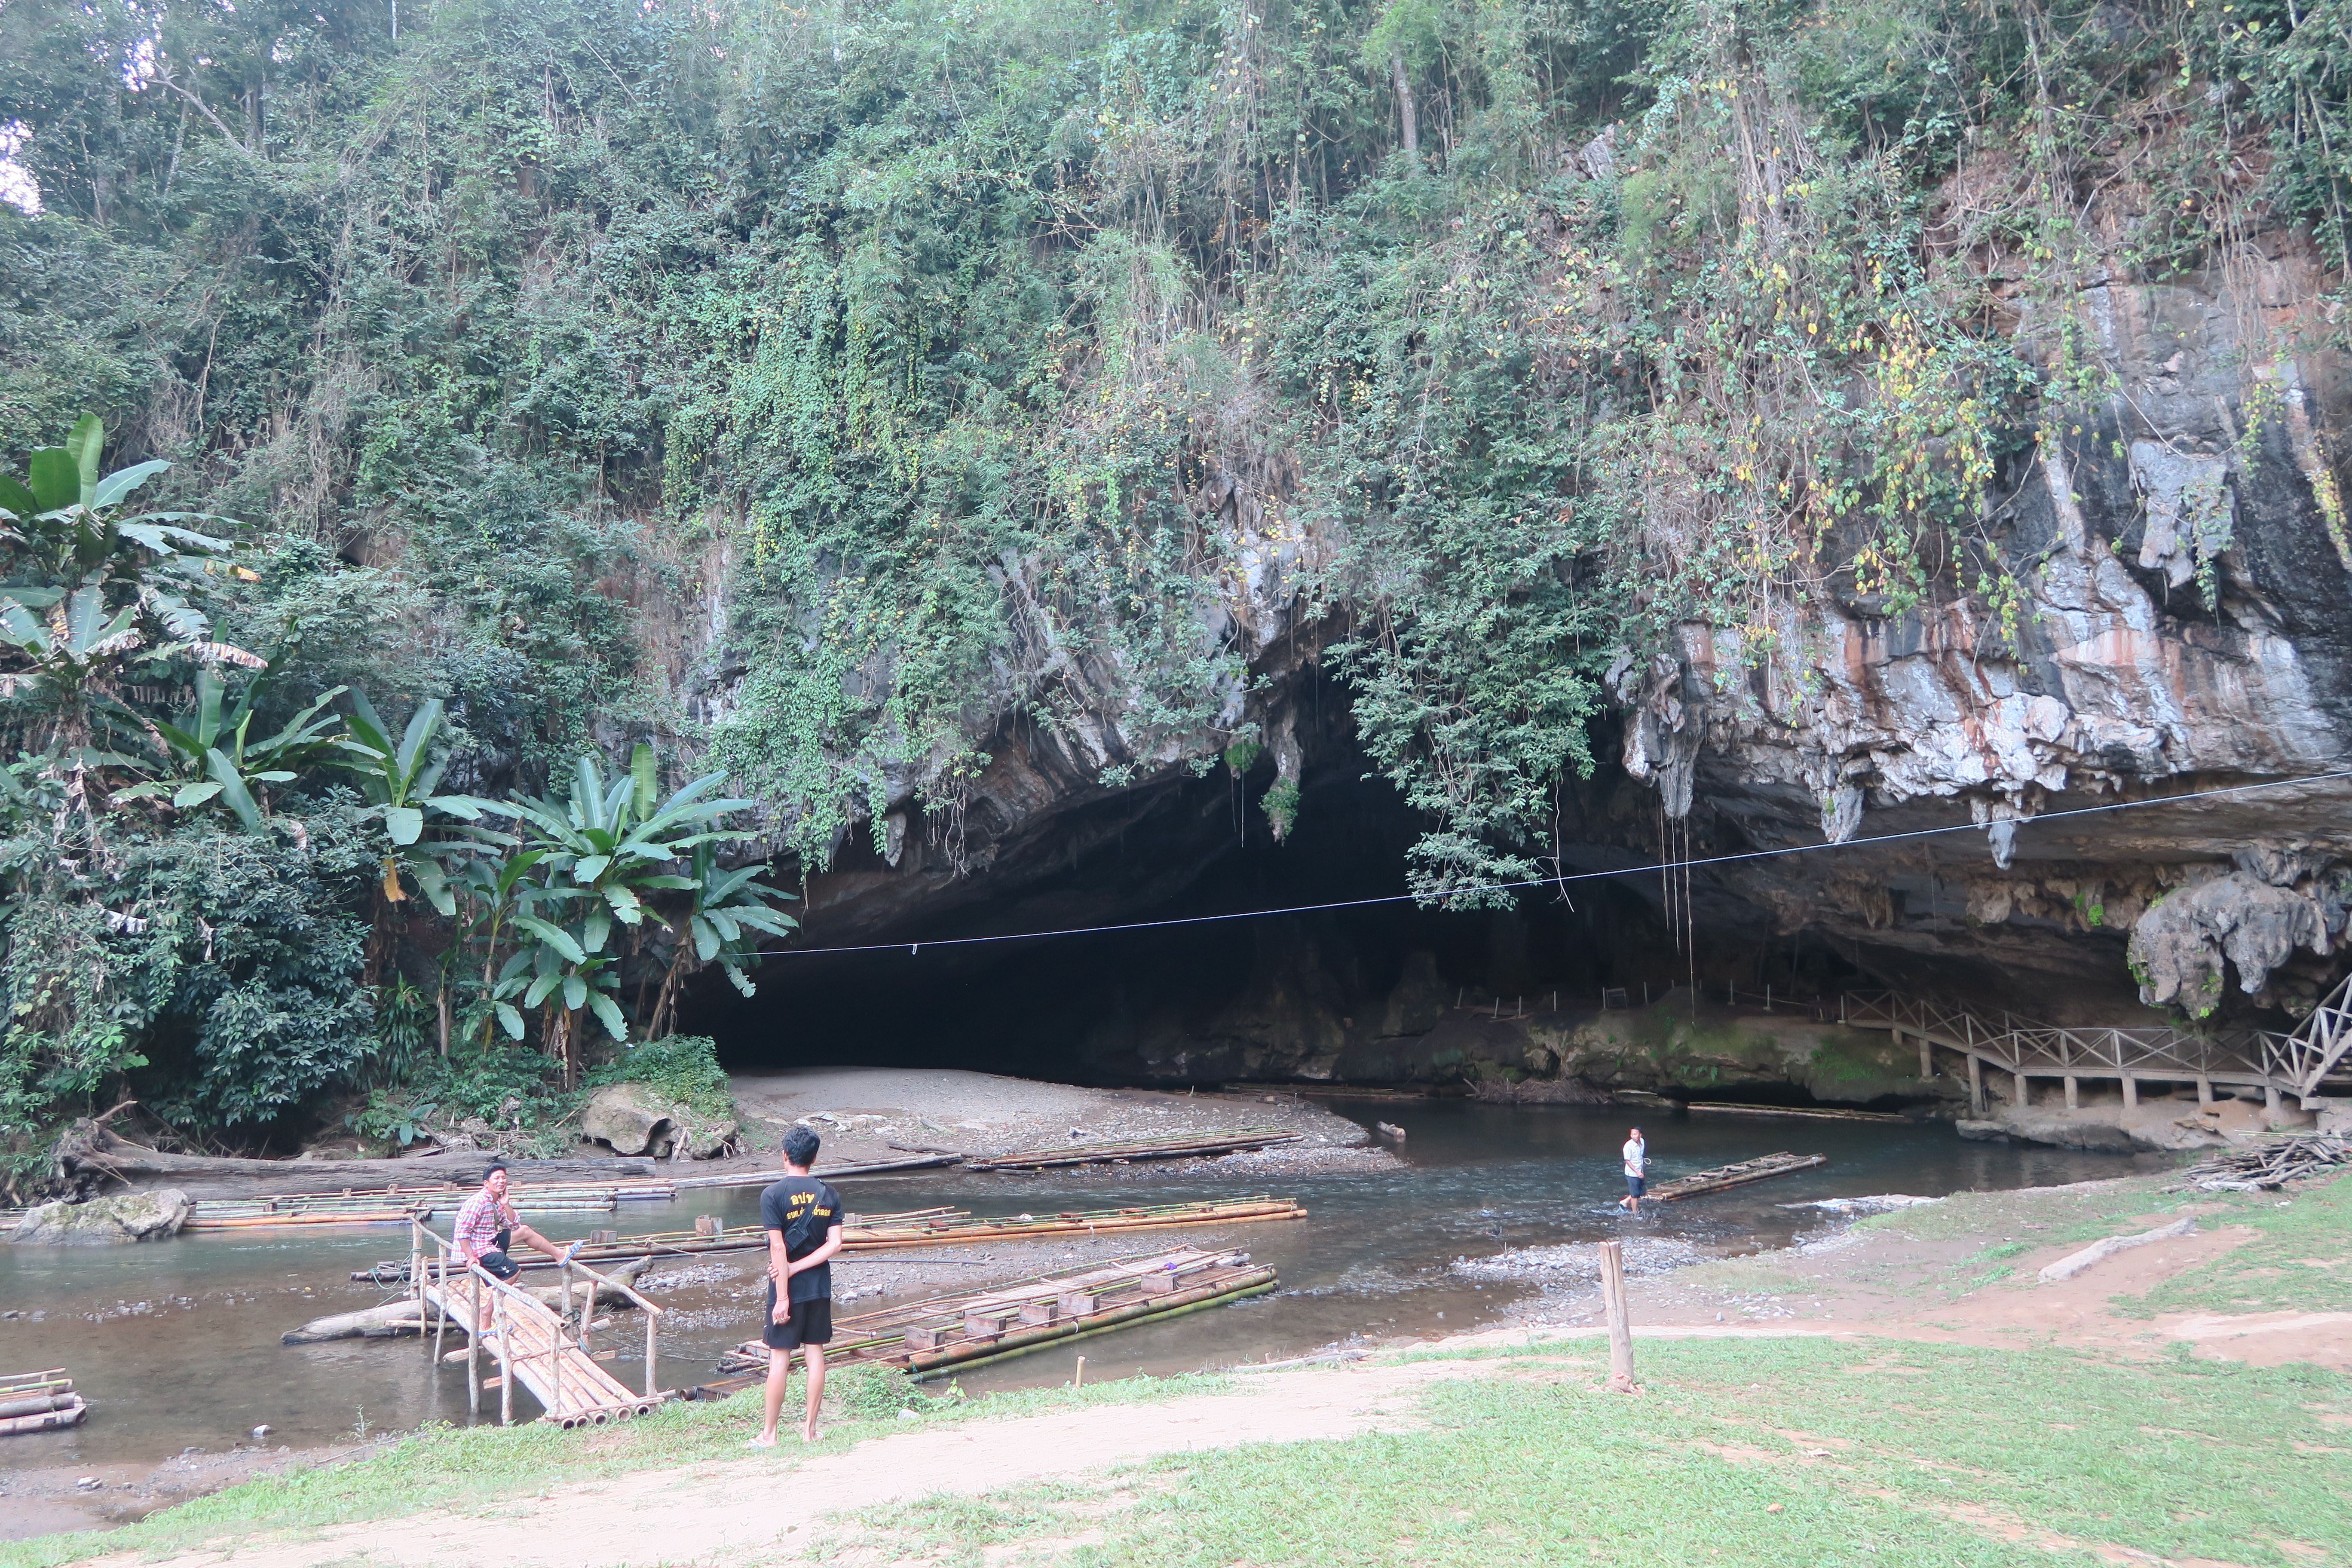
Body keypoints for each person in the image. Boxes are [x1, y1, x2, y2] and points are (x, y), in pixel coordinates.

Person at [752, 1126, 844, 1446]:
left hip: (784, 1287)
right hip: (819, 1285)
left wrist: (783, 1292)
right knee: (815, 1354)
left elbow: (778, 1249)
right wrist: (801, 1266)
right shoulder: (828, 1194)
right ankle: (809, 1431)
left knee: (780, 1358)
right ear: (814, 1158)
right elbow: (835, 1245)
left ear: (785, 1155)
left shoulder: (773, 1195)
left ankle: (770, 1435)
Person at [450, 1161, 571, 1329]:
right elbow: (462, 1232)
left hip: (489, 1241)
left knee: (525, 1231)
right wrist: (471, 1257)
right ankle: (486, 1313)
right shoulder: (478, 1202)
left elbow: (514, 1225)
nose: (501, 1181)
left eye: (504, 1178)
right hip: (478, 1249)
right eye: (497, 1178)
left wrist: (506, 1204)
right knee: (513, 1273)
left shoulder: (496, 1201)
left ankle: (559, 1255)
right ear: (486, 1183)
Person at [1618, 1126, 1648, 1216]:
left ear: (1640, 1135)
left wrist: (1642, 1169)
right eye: (1632, 1134)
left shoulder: (1642, 1142)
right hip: (1632, 1173)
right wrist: (1637, 1172)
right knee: (1635, 1195)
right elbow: (1627, 1161)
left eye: (1636, 1134)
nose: (1633, 1136)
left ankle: (1625, 1201)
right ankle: (1636, 1214)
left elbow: (1641, 1155)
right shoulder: (1628, 1146)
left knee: (1642, 1193)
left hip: (1640, 1170)